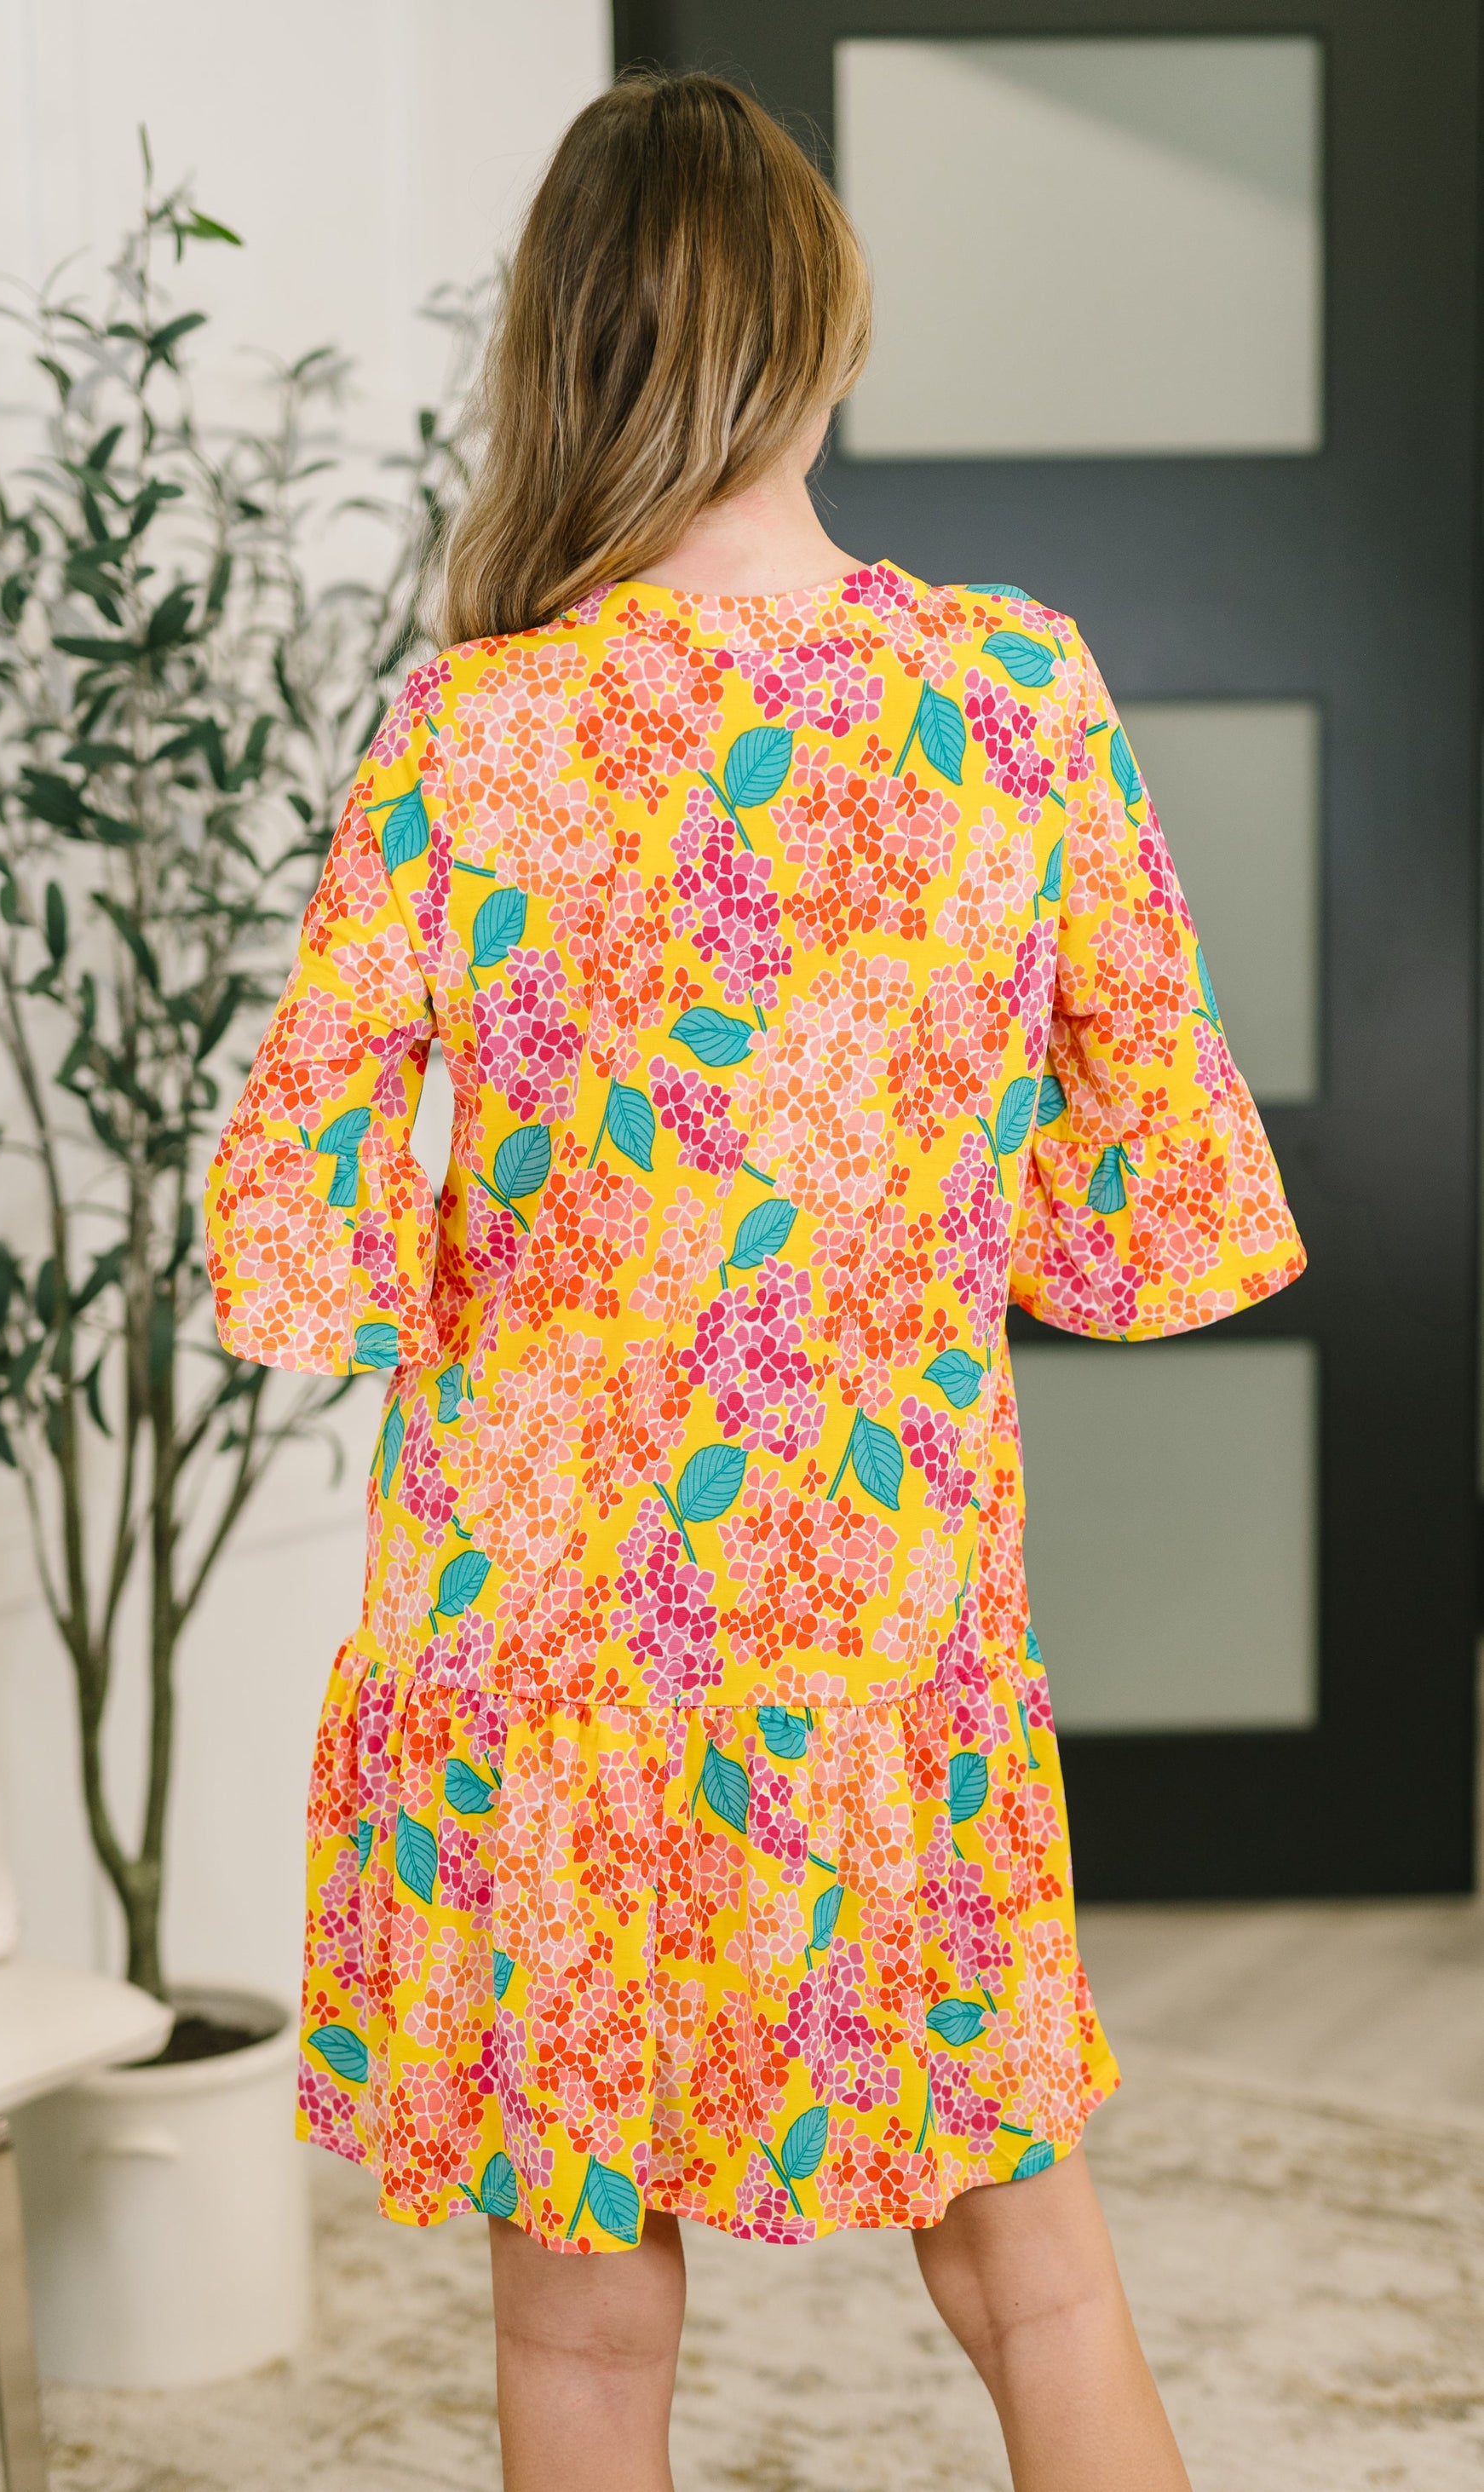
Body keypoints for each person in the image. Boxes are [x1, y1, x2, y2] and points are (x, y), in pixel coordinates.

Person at [206, 69, 1303, 2492]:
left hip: (541, 1637)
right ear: (827, 336)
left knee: (581, 2337)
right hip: (876, 1618)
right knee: (1034, 2274)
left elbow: (298, 1215)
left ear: (560, 359)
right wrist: (908, 1216)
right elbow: (1165, 1194)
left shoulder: (471, 735)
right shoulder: (1013, 696)